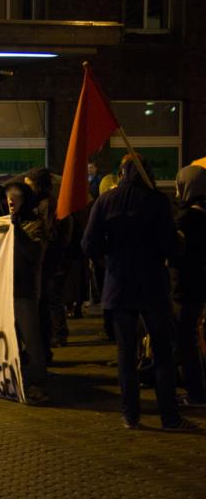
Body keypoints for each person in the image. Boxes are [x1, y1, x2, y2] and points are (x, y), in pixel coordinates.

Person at [82, 155, 197, 431]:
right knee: (162, 353)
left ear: (121, 173)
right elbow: (171, 246)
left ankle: (130, 414)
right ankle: (169, 416)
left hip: (119, 286)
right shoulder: (157, 201)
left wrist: (109, 257)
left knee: (126, 353)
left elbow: (88, 245)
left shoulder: (106, 201)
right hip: (152, 286)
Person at [5, 181, 50, 405]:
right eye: (8, 196)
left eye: (16, 196)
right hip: (6, 290)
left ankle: (38, 383)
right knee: (11, 339)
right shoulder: (5, 223)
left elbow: (33, 252)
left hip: (25, 291)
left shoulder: (34, 225)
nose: (10, 200)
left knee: (31, 340)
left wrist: (16, 231)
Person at [169, 165, 206, 407]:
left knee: (186, 339)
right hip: (200, 285)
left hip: (187, 286)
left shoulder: (187, 218)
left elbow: (175, 251)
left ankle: (196, 392)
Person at [25, 167, 71, 351]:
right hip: (55, 257)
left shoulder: (47, 205)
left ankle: (57, 334)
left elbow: (50, 233)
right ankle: (57, 333)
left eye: (29, 185)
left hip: (51, 258)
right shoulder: (47, 203)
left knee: (50, 297)